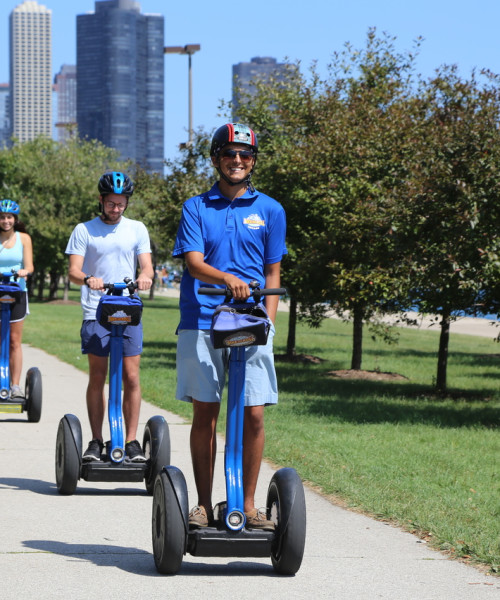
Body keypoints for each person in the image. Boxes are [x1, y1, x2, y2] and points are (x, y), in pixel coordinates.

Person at [172, 123, 287, 530]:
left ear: (253, 161)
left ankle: (250, 506)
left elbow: (273, 271)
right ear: (217, 158)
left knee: (253, 414)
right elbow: (194, 263)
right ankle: (203, 505)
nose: (237, 161)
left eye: (244, 154)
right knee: (206, 412)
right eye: (229, 154)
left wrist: (269, 323)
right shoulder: (196, 207)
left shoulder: (271, 209)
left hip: (253, 321)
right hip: (202, 320)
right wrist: (227, 279)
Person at [66, 171, 154, 462]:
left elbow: (147, 267)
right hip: (96, 310)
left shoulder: (137, 229)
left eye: (121, 203)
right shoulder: (84, 230)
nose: (116, 209)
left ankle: (130, 442)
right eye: (111, 204)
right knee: (98, 376)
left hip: (129, 308)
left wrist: (144, 277)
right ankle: (95, 441)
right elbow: (74, 271)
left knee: (130, 376)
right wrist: (89, 278)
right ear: (101, 200)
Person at [0, 199, 34, 397]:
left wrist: (24, 271)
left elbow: (30, 266)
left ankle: (15, 386)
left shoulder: (24, 239)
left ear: (15, 219)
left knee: (14, 340)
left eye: (9, 217)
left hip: (17, 292)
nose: (6, 220)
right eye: (3, 217)